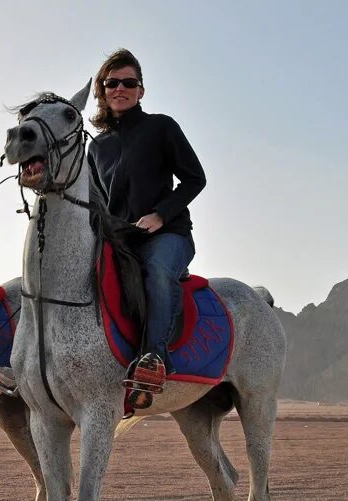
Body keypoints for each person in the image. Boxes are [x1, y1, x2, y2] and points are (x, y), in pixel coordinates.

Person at [88, 49, 206, 408]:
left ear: (141, 90)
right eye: (112, 83)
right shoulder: (97, 147)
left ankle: (154, 360)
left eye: (129, 82)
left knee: (156, 273)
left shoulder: (161, 127)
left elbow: (194, 179)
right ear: (102, 91)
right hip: (121, 240)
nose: (120, 88)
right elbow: (96, 203)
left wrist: (160, 215)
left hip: (167, 235)